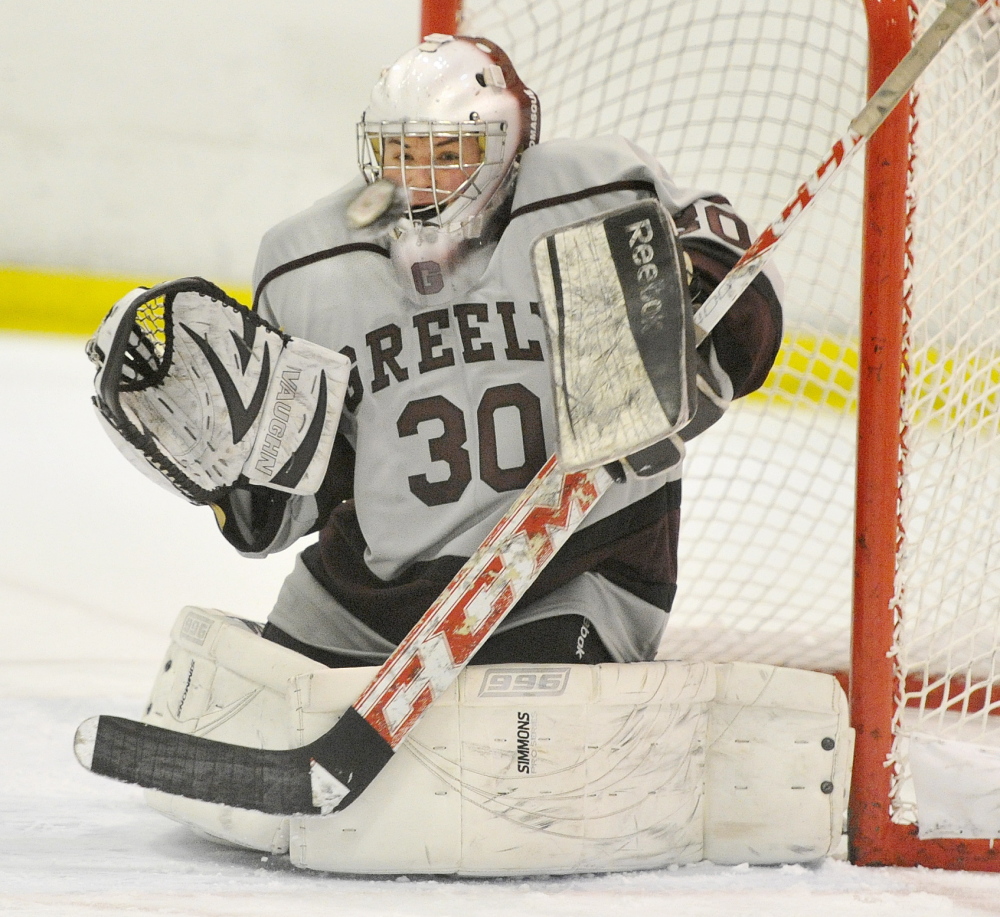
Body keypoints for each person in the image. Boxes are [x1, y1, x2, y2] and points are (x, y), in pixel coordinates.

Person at [210, 33, 783, 672]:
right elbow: (307, 479)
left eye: (446, 153)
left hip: (572, 568)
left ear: (505, 142)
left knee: (513, 718)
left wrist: (695, 308)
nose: (417, 179)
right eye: (399, 152)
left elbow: (737, 280)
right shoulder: (308, 263)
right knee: (241, 693)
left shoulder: (595, 194)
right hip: (370, 598)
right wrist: (234, 473)